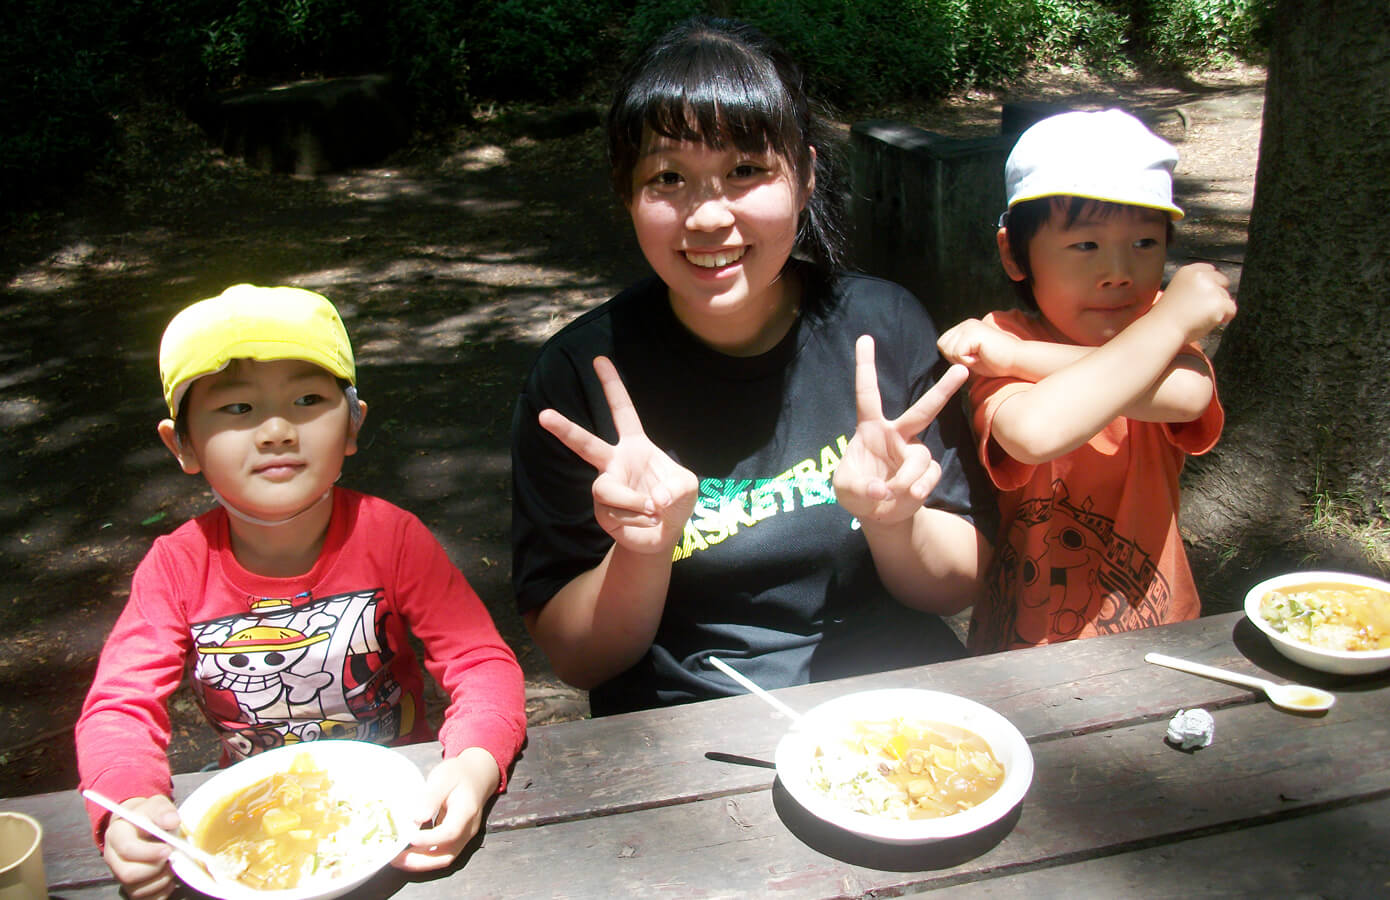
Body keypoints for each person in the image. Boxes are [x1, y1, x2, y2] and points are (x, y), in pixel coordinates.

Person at [510, 18, 994, 716]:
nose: (708, 216)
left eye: (746, 171)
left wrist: (896, 523)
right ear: (627, 194)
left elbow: (957, 587)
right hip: (684, 721)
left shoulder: (882, 329)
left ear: (805, 178)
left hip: (890, 704)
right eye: (668, 177)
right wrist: (642, 551)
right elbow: (580, 658)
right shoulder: (579, 376)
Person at [76, 284, 527, 899]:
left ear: (353, 425)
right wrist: (130, 805)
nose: (277, 430)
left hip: (406, 805)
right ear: (180, 444)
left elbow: (479, 661)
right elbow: (119, 707)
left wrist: (474, 764)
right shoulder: (177, 567)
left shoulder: (391, 537)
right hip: (254, 820)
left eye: (308, 399)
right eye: (236, 408)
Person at [935, 109, 1238, 653]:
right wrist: (1169, 324)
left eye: (1145, 243)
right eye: (1086, 245)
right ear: (1014, 253)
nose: (1119, 270)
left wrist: (1021, 358)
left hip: (1156, 633)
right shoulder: (996, 337)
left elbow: (1189, 395)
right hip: (1025, 646)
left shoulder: (1158, 328)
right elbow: (1033, 432)